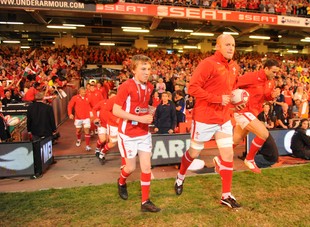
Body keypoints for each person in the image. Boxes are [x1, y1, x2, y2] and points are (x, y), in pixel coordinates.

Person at [174, 34, 241, 209]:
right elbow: (193, 88)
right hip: (205, 117)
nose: (230, 48)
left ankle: (226, 195)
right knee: (194, 153)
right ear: (217, 46)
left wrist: (237, 101)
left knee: (228, 155)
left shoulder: (234, 67)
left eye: (233, 45)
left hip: (224, 118)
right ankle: (180, 177)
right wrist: (217, 99)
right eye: (227, 44)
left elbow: (231, 90)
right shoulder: (207, 64)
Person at [112, 55, 160, 213]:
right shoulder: (126, 86)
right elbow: (116, 110)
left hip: (144, 133)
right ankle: (121, 181)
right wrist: (139, 118)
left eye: (149, 69)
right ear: (133, 70)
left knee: (146, 167)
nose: (147, 72)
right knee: (131, 167)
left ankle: (145, 201)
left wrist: (151, 111)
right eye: (143, 69)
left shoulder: (150, 87)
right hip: (128, 134)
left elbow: (145, 106)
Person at [233, 59, 280, 174]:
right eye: (273, 72)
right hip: (243, 111)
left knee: (236, 140)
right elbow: (233, 84)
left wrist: (272, 96)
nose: (275, 75)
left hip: (252, 112)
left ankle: (220, 160)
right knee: (263, 133)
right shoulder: (252, 77)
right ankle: (249, 159)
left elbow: (266, 97)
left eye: (276, 72)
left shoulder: (271, 82)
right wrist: (233, 101)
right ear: (266, 68)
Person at [67, 87, 92, 151]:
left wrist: (92, 114)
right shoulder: (75, 98)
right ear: (79, 92)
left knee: (87, 130)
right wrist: (70, 114)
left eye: (85, 92)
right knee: (78, 130)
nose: (84, 93)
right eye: (83, 92)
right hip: (78, 118)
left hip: (87, 117)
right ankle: (78, 139)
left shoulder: (89, 97)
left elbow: (92, 105)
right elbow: (70, 106)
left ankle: (87, 145)